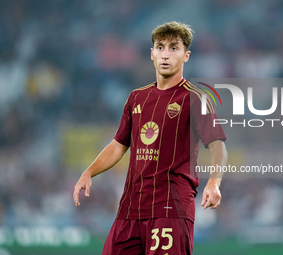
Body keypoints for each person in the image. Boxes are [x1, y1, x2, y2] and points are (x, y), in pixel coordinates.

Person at [73, 21, 227, 255]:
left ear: (186, 56)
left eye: (174, 48)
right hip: (130, 210)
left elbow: (217, 145)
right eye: (160, 47)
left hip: (170, 209)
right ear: (152, 54)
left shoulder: (196, 99)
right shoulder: (136, 98)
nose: (166, 54)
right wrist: (89, 172)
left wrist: (214, 182)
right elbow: (118, 144)